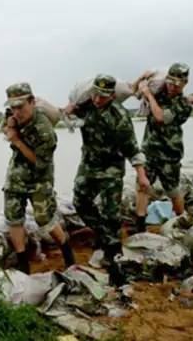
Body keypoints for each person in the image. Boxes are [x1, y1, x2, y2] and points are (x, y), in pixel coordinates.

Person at [63, 74, 149, 285]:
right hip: (89, 165)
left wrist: (142, 176)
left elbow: (132, 149)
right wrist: (68, 111)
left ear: (112, 95)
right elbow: (68, 116)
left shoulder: (119, 116)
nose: (98, 100)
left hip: (111, 169)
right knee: (80, 203)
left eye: (103, 96)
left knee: (111, 215)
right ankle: (105, 239)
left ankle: (115, 260)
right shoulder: (87, 105)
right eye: (95, 95)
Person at [2, 83, 75, 273]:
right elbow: (6, 127)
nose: (17, 112)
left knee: (44, 218)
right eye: (13, 107)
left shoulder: (45, 131)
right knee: (13, 218)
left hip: (39, 178)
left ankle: (68, 256)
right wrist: (9, 128)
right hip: (16, 175)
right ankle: (23, 266)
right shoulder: (12, 116)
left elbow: (39, 163)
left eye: (21, 107)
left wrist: (16, 140)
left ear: (32, 102)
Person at [134, 63, 193, 231]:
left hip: (169, 154)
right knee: (142, 186)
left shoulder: (183, 104)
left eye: (177, 83)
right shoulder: (158, 92)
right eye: (170, 82)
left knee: (173, 190)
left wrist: (149, 96)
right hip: (149, 151)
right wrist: (142, 79)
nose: (173, 86)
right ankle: (139, 226)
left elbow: (160, 117)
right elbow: (135, 91)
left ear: (185, 83)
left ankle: (182, 223)